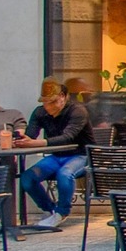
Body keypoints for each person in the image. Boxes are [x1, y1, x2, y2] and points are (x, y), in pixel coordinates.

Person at [19, 80, 93, 229]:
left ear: (63, 96)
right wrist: (21, 138)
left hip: (81, 155)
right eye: (45, 102)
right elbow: (31, 135)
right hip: (57, 156)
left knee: (65, 173)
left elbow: (68, 137)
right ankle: (51, 210)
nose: (48, 107)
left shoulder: (77, 111)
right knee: (27, 177)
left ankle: (62, 212)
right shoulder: (40, 112)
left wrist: (37, 143)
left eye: (52, 102)